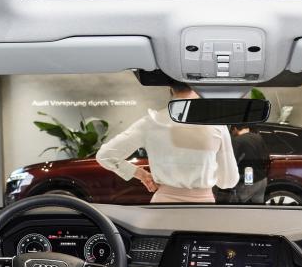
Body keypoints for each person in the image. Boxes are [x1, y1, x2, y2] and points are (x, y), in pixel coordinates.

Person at [96, 81, 239, 203]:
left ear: (170, 88)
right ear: (199, 89)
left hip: (163, 206)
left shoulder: (150, 122)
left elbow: (105, 156)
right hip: (203, 209)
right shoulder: (216, 125)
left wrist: (141, 174)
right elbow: (228, 181)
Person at [229, 124, 270, 204]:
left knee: (237, 206)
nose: (231, 133)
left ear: (235, 129)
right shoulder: (258, 137)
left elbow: (232, 162)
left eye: (231, 131)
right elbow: (267, 157)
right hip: (262, 179)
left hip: (248, 181)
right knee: (257, 207)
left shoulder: (237, 141)